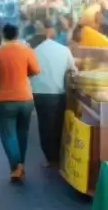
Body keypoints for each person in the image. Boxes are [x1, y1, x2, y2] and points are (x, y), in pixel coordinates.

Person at [0, 23, 40, 182]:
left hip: (5, 99)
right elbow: (36, 70)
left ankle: (16, 166)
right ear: (17, 34)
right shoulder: (27, 50)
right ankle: (19, 165)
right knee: (22, 132)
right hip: (26, 99)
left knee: (8, 134)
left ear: (3, 35)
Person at [30, 22, 77, 167]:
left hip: (38, 94)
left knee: (44, 125)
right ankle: (58, 156)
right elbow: (73, 71)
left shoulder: (33, 51)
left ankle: (50, 158)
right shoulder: (64, 50)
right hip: (58, 93)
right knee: (58, 124)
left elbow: (28, 73)